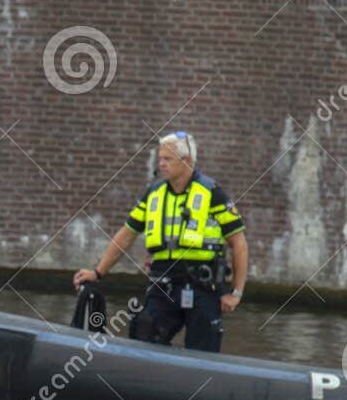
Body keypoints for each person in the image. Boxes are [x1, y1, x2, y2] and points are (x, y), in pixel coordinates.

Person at [73, 131, 248, 353]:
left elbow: (239, 243)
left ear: (187, 162)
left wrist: (236, 293)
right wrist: (97, 273)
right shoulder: (153, 194)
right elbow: (126, 235)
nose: (162, 164)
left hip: (203, 287)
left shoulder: (212, 193)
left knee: (203, 351)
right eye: (160, 159)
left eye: (168, 159)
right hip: (163, 284)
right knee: (144, 336)